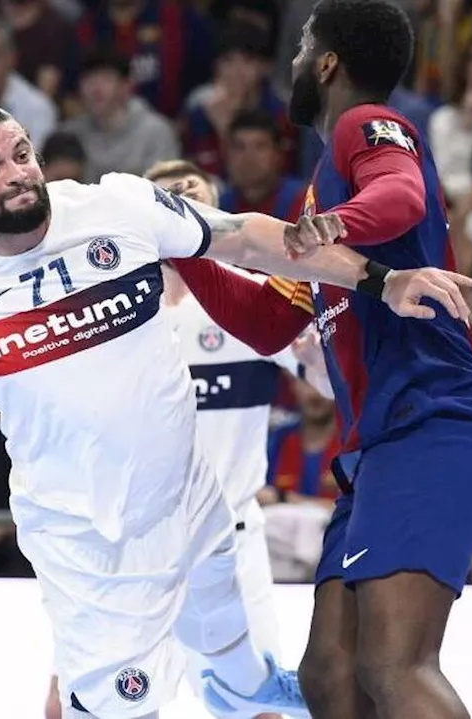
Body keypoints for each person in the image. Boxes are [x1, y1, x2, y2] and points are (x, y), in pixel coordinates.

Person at [0, 99, 472, 718]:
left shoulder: (115, 206)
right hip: (95, 544)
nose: (17, 175)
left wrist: (382, 279)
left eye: (20, 154)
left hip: (194, 497)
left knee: (235, 655)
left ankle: (243, 686)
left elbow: (248, 237)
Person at [176, 1, 472, 717]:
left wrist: (335, 225)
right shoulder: (319, 185)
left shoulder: (360, 127)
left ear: (327, 60)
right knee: (330, 675)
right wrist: (182, 248)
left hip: (438, 419)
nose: (294, 61)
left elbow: (400, 194)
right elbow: (270, 322)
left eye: (302, 46)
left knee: (393, 664)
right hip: (381, 445)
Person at [42, 162, 335, 719]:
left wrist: (320, 346)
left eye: (190, 194)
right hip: (129, 540)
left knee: (257, 707)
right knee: (77, 702)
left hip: (229, 531)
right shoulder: (109, 303)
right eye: (165, 196)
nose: (177, 203)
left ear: (215, 213)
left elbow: (324, 381)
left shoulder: (252, 301)